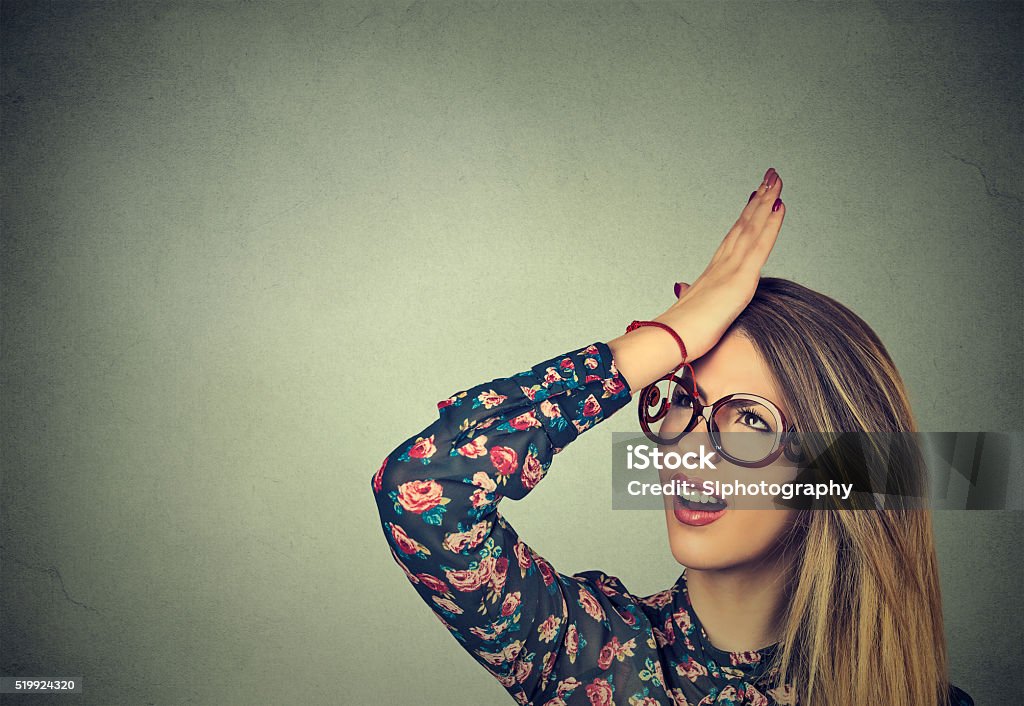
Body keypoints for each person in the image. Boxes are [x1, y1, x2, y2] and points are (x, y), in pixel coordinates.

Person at [371, 168, 974, 706]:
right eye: (682, 400)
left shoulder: (915, 694)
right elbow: (421, 490)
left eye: (752, 420)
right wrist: (668, 337)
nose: (689, 453)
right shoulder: (592, 658)